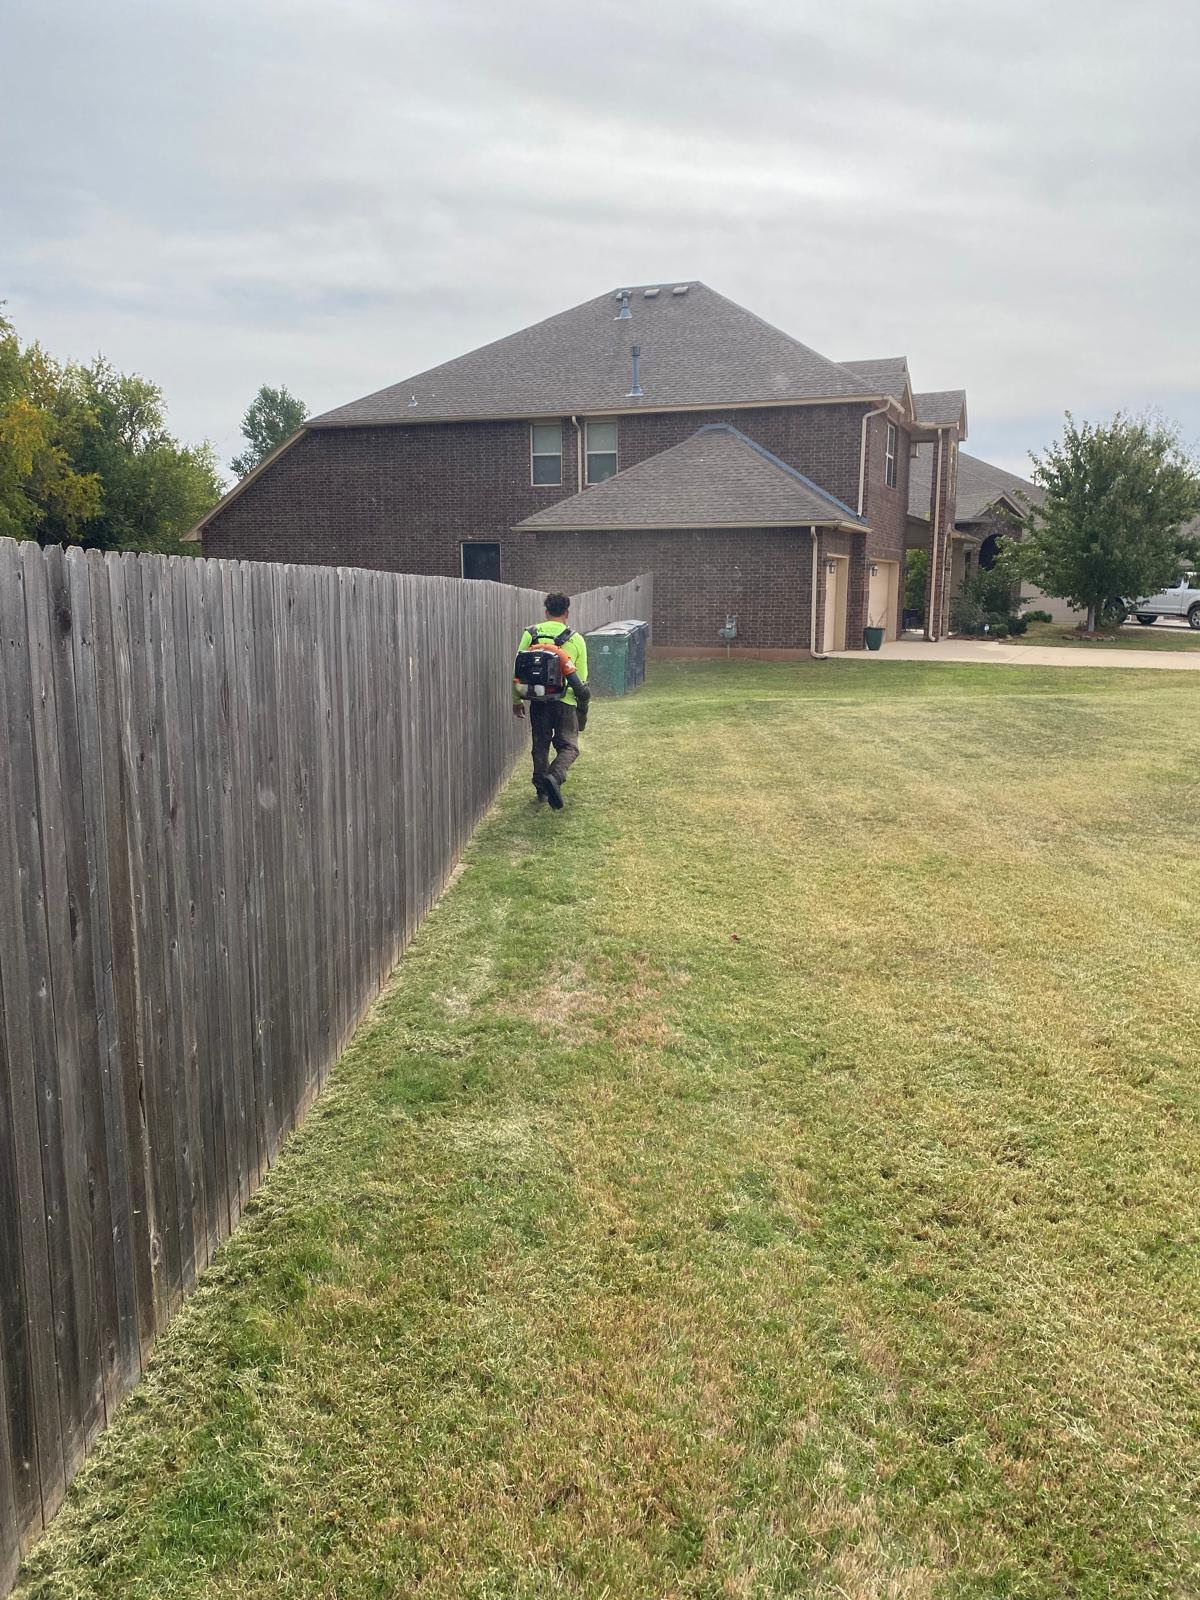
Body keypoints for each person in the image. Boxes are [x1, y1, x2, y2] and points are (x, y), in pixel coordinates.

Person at [512, 593, 589, 810]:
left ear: (546, 612)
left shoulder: (531, 634)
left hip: (538, 700)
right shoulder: (576, 639)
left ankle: (541, 790)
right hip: (565, 702)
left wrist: (516, 699)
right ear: (567, 613)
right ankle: (555, 776)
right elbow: (581, 679)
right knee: (569, 746)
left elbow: (518, 669)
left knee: (540, 744)